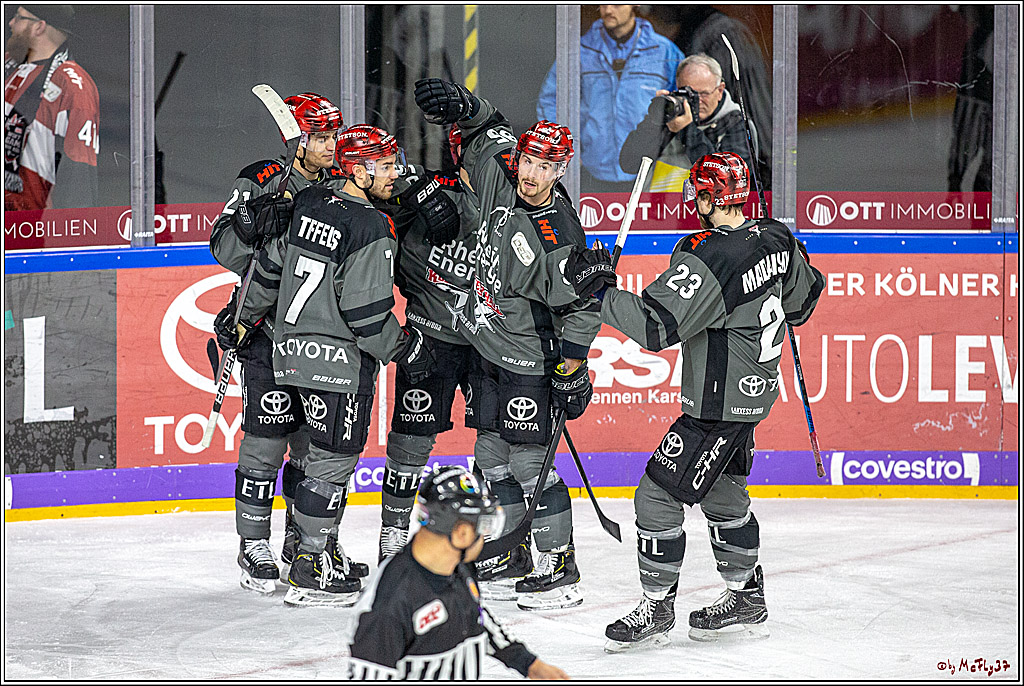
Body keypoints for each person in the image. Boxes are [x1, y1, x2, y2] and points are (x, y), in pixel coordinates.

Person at [564, 152, 823, 650]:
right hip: (752, 394)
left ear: (707, 198)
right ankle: (747, 594)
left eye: (697, 194)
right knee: (724, 496)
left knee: (656, 496)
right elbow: (803, 302)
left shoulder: (713, 259)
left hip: (717, 404)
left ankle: (657, 608)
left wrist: (600, 290)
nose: (692, 202)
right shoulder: (775, 236)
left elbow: (656, 326)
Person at [414, 77, 603, 611]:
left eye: (545, 167)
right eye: (527, 161)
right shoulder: (505, 176)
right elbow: (484, 128)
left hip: (528, 359)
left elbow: (581, 305)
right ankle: (517, 550)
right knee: (489, 456)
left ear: (560, 171)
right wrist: (468, 105)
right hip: (488, 349)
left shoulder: (557, 229)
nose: (532, 173)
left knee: (528, 462)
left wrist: (572, 368)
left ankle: (559, 565)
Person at [233, 124, 432, 606]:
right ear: (358, 171)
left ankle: (304, 549)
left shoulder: (310, 203)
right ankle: (312, 563)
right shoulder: (371, 226)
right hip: (340, 363)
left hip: (289, 353)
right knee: (330, 463)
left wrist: (243, 319)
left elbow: (269, 267)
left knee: (299, 454)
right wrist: (404, 348)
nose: (395, 173)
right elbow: (366, 314)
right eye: (384, 166)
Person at [209, 92, 353, 596]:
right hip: (267, 334)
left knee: (314, 449)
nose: (331, 145)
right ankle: (253, 544)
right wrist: (249, 225)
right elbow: (224, 249)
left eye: (334, 134)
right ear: (296, 139)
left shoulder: (344, 184)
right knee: (266, 442)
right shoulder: (262, 177)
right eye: (320, 136)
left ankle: (303, 539)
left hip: (320, 337)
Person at [370, 124, 480, 562]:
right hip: (429, 337)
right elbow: (362, 196)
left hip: (488, 341)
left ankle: (501, 543)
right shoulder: (424, 183)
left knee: (497, 445)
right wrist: (408, 192)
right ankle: (393, 534)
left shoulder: (511, 200)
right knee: (408, 442)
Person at [347, 465, 569, 680]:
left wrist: (527, 663)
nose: (485, 537)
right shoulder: (387, 605)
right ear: (462, 533)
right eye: (484, 527)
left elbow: (475, 614)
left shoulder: (456, 564)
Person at [536, 5, 683, 190]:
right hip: (590, 170)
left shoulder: (664, 52)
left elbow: (683, 104)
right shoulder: (580, 50)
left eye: (617, 3)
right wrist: (566, 149)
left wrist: (668, 151)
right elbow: (550, 100)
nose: (608, 9)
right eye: (603, 3)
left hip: (648, 171)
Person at [645, 4, 773, 189]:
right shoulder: (694, 35)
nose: (647, 12)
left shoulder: (719, 35)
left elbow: (748, 115)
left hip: (738, 181)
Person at [5, 5, 98, 210]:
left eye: (18, 17)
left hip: (34, 230)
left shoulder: (72, 85)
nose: (11, 23)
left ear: (39, 27)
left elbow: (78, 179)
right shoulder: (10, 66)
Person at [619, 54, 757, 193]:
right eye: (689, 94)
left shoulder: (736, 122)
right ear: (678, 87)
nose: (697, 101)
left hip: (704, 213)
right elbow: (629, 163)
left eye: (703, 94)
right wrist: (655, 120)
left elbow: (730, 182)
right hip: (659, 210)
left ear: (720, 90)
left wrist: (687, 129)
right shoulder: (671, 116)